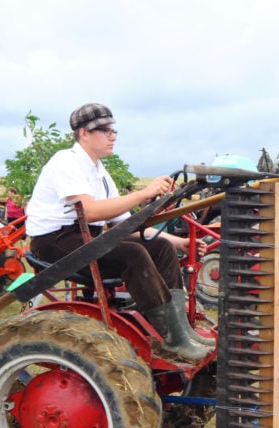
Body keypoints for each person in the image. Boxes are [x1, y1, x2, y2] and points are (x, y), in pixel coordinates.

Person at [26, 102, 212, 360]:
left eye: (114, 131)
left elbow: (122, 224)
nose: (113, 136)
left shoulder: (100, 172)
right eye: (105, 130)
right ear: (84, 133)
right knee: (133, 254)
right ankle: (172, 340)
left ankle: (180, 333)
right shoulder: (65, 162)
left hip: (84, 236)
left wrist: (177, 241)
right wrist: (144, 193)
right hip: (54, 241)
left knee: (161, 247)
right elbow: (89, 211)